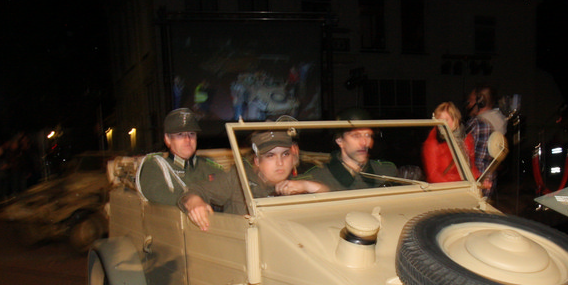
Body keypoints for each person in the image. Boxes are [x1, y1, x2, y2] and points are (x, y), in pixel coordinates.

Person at [181, 130, 327, 231]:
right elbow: (192, 192)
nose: (280, 163)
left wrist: (307, 185)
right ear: (257, 161)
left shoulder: (301, 180)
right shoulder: (238, 179)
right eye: (270, 156)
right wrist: (194, 202)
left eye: (285, 154)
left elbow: (331, 203)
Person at [137, 108, 223, 206]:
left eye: (192, 134)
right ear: (167, 139)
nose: (188, 140)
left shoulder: (210, 167)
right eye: (180, 135)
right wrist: (190, 201)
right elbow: (157, 193)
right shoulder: (156, 166)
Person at [302, 126, 398, 190]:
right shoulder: (317, 177)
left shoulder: (387, 171)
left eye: (368, 135)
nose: (364, 143)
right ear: (340, 140)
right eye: (356, 136)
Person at [465, 85, 507, 196]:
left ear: (481, 102)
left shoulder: (477, 123)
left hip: (475, 182)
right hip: (490, 180)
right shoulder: (500, 121)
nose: (468, 105)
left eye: (471, 101)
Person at [423, 101, 475, 182]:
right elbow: (434, 175)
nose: (442, 124)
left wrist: (479, 180)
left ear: (455, 119)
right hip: (445, 188)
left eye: (446, 120)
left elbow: (471, 167)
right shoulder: (433, 142)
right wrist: (457, 184)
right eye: (439, 121)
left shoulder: (465, 138)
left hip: (465, 186)